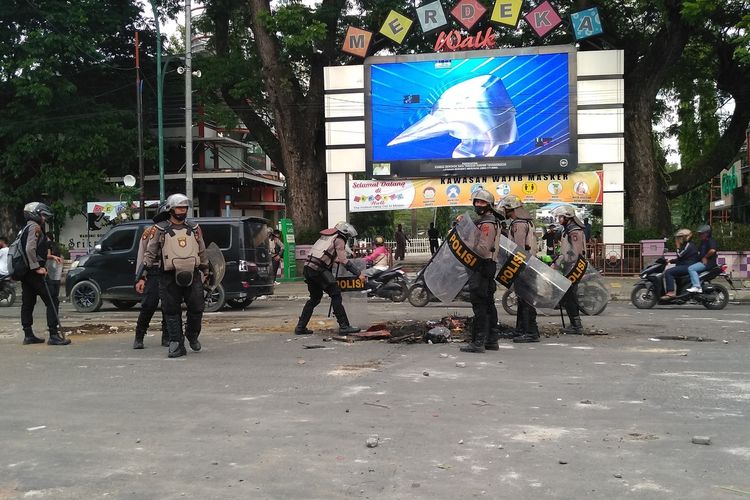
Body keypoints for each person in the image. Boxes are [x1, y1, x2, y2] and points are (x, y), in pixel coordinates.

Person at [136, 194, 208, 358]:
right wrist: (141, 275)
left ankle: (192, 335)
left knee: (197, 307)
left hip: (193, 273)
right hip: (168, 275)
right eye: (179, 207)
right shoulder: (159, 229)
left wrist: (206, 270)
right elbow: (150, 253)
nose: (183, 211)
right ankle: (176, 343)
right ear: (170, 209)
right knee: (171, 310)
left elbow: (202, 250)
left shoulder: (194, 228)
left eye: (185, 208)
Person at [294, 222, 366, 336]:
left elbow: (323, 254)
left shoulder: (327, 237)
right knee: (336, 294)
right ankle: (344, 326)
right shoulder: (339, 239)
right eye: (348, 237)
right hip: (318, 270)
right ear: (345, 234)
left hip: (308, 269)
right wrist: (359, 273)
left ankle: (300, 327)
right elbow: (344, 260)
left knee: (314, 298)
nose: (348, 239)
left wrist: (333, 260)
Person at [19, 202, 70, 345]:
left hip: (25, 273)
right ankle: (54, 335)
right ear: (35, 214)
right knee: (52, 300)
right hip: (35, 273)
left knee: (28, 302)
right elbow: (30, 249)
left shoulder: (24, 228)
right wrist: (37, 268)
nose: (44, 218)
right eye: (43, 215)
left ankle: (28, 334)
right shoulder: (35, 227)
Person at [461, 189, 499, 353]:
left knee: (480, 305)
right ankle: (491, 340)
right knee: (488, 304)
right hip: (486, 266)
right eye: (476, 202)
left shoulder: (487, 224)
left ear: (489, 205)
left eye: (482, 202)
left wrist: (467, 239)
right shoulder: (486, 221)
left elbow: (482, 249)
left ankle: (478, 342)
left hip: (482, 266)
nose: (478, 205)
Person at [498, 195, 539, 343]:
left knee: (527, 301)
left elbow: (519, 249)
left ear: (510, 209)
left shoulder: (519, 224)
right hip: (528, 265)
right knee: (523, 300)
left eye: (506, 208)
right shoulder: (523, 222)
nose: (504, 211)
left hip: (523, 266)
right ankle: (521, 330)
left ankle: (531, 332)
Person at [132, 205, 169, 350]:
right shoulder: (151, 231)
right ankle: (139, 337)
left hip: (170, 272)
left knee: (169, 307)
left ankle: (167, 337)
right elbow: (142, 256)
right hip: (153, 271)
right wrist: (141, 277)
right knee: (148, 306)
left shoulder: (177, 230)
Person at [552, 204, 587, 335]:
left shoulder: (574, 231)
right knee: (568, 296)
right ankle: (574, 324)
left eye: (560, 217)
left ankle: (576, 325)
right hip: (569, 265)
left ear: (567, 217)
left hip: (573, 266)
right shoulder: (568, 229)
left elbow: (575, 252)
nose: (559, 219)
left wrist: (564, 262)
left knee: (569, 296)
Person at [661, 228, 699, 299]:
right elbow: (682, 258)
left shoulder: (689, 245)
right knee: (675, 274)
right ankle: (680, 295)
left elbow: (680, 255)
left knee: (668, 272)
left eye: (680, 237)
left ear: (686, 237)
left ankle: (671, 292)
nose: (678, 239)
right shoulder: (685, 245)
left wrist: (677, 246)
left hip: (688, 266)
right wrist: (670, 261)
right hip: (685, 264)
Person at [686, 225, 718, 293]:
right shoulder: (703, 242)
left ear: (707, 233)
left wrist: (705, 257)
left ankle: (697, 286)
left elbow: (712, 250)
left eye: (701, 233)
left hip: (708, 263)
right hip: (703, 262)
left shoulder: (710, 240)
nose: (700, 235)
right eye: (699, 233)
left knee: (691, 268)